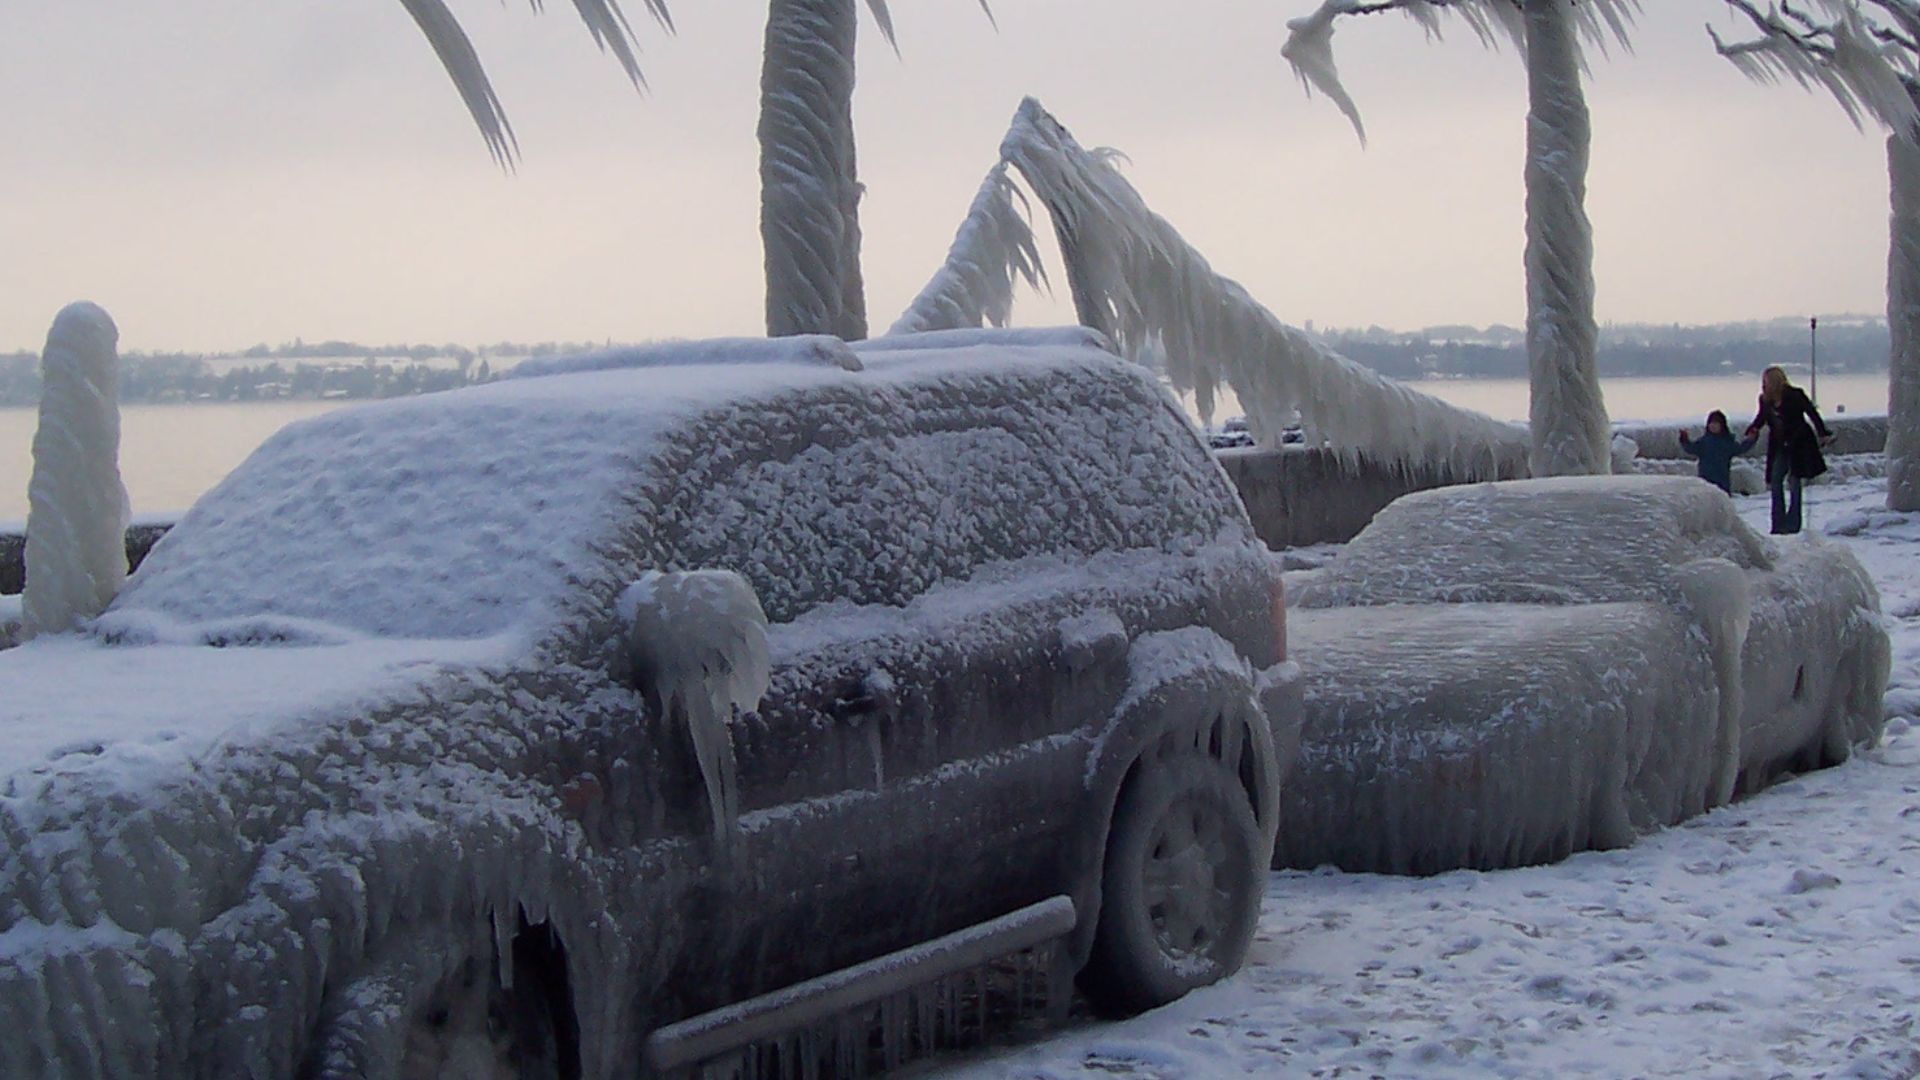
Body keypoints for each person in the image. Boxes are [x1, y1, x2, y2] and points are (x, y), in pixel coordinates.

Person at [1744, 366, 1834, 535]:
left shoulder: (1795, 395)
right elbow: (1762, 417)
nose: (1764, 385)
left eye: (1766, 381)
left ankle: (1793, 524)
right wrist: (1753, 428)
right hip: (1779, 443)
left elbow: (1812, 413)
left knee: (1794, 482)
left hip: (1798, 443)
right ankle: (1778, 523)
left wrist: (1822, 433)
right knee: (1776, 480)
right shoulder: (1765, 400)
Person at [1678, 410, 1758, 495]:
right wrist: (1684, 439)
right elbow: (1691, 448)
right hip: (1705, 481)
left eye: (1716, 423)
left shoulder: (1727, 442)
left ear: (1722, 425)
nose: (1713, 426)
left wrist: (1751, 439)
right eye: (1711, 423)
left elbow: (1741, 448)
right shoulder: (1704, 441)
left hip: (1722, 482)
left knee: (1721, 502)